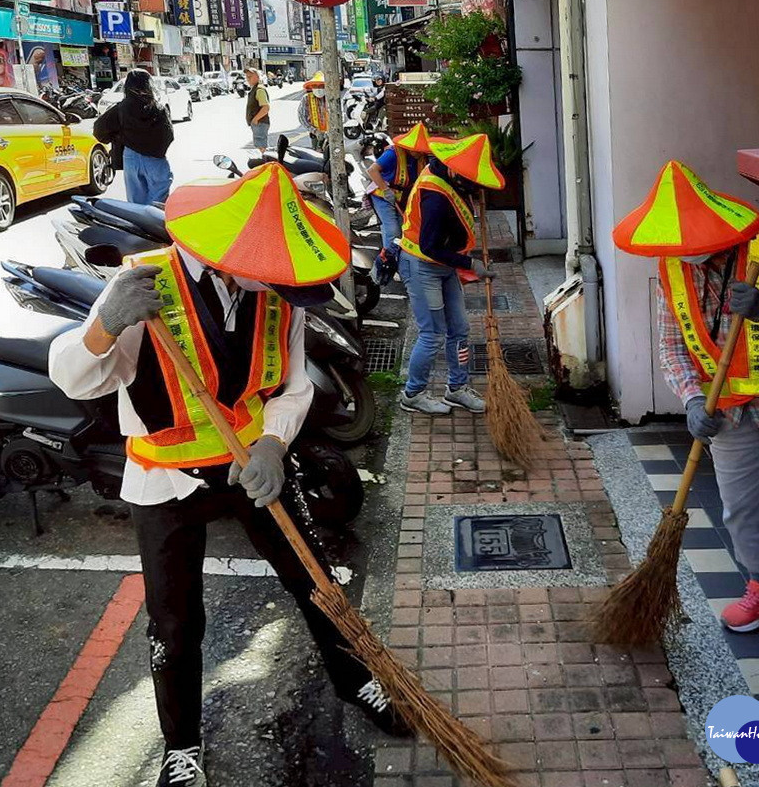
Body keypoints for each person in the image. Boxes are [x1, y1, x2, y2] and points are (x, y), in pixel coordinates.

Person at [49, 169, 407, 787]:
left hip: (252, 467)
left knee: (314, 578)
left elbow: (293, 385)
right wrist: (104, 322)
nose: (283, 288)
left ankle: (357, 682)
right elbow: (76, 379)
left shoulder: (278, 294)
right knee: (175, 619)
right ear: (235, 258)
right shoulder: (144, 287)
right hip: (166, 478)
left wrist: (273, 442)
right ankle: (181, 745)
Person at [621, 161, 759, 634]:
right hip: (725, 412)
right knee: (738, 503)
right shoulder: (674, 269)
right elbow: (671, 345)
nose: (687, 253)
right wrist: (693, 400)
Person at [396, 134, 506, 416]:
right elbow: (429, 247)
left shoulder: (446, 171)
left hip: (444, 266)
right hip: (422, 266)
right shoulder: (435, 197)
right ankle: (414, 393)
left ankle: (457, 388)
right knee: (432, 334)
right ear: (456, 173)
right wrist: (470, 264)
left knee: (459, 329)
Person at [93, 69, 174, 205]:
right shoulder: (158, 108)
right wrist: (155, 150)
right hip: (155, 159)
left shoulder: (120, 109)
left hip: (131, 158)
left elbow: (99, 130)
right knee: (159, 202)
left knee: (136, 204)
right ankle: (155, 223)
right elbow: (169, 135)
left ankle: (141, 225)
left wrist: (119, 137)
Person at [365, 122, 431, 281]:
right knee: (392, 230)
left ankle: (403, 263)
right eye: (417, 150)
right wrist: (386, 190)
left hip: (402, 197)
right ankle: (386, 266)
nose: (419, 153)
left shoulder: (421, 158)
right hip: (382, 195)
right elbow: (372, 170)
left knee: (406, 229)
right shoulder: (393, 154)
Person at [298, 71, 328, 151]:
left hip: (331, 134)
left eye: (321, 86)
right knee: (317, 156)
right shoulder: (306, 98)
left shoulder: (330, 98)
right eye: (316, 86)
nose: (318, 88)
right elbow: (301, 117)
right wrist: (314, 130)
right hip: (315, 135)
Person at [244, 67, 270, 153]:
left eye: (250, 76)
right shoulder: (255, 89)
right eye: (247, 77)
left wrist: (255, 119)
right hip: (258, 123)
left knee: (261, 147)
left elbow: (265, 107)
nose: (248, 79)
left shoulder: (259, 89)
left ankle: (265, 164)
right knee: (260, 146)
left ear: (258, 77)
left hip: (260, 123)